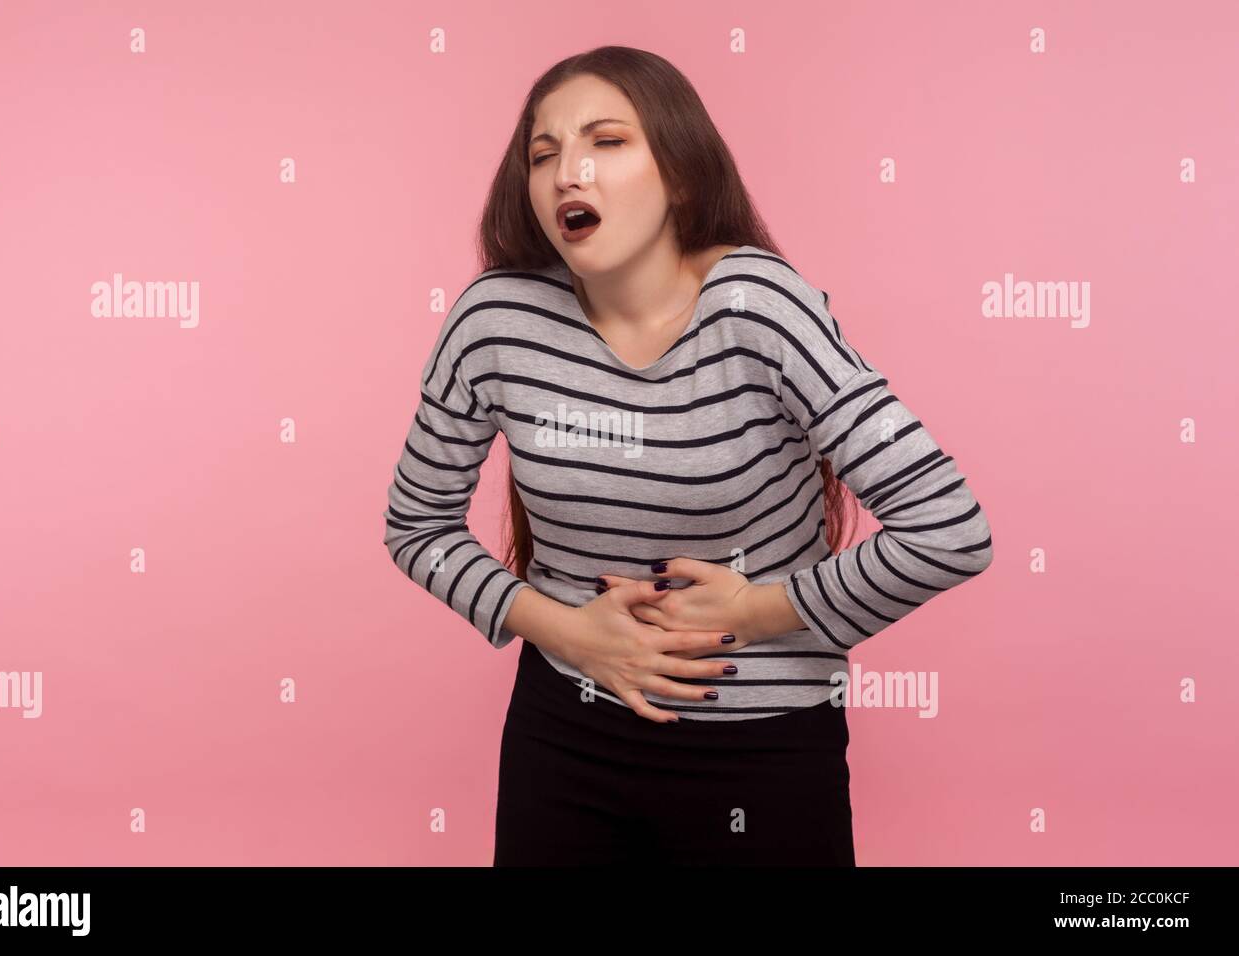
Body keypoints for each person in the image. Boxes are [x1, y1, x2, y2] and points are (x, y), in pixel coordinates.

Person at [382, 46, 994, 866]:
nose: (570, 171)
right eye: (544, 152)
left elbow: (949, 531)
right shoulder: (496, 320)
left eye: (606, 142)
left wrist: (757, 610)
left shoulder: (761, 308)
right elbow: (416, 526)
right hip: (564, 731)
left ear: (678, 175)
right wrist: (570, 634)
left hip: (765, 750)